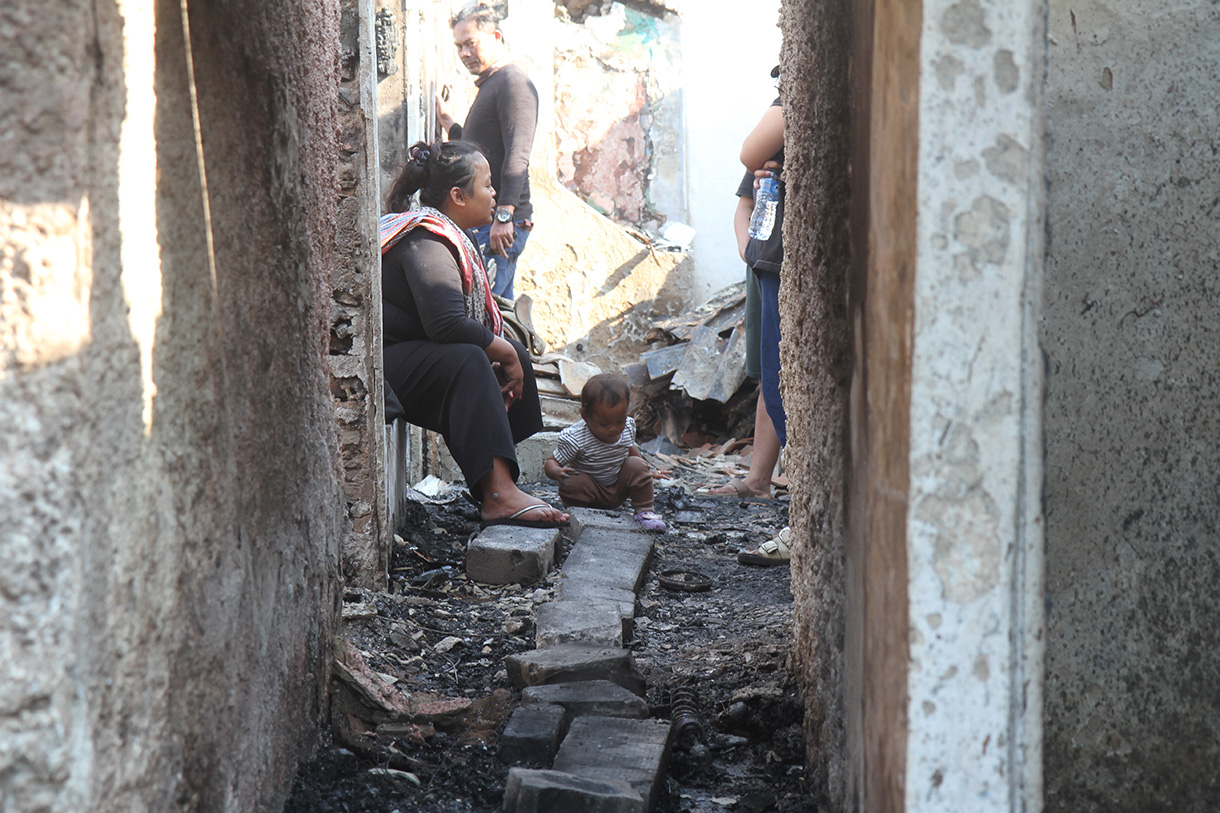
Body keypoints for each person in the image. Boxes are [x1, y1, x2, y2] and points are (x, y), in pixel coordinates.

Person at [381, 139, 567, 529]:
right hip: (384, 372)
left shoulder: (450, 237)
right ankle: (498, 495)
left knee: (503, 351)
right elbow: (445, 325)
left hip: (410, 359)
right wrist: (505, 354)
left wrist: (507, 353)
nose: (494, 193)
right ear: (457, 196)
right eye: (486, 185)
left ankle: (496, 480)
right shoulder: (426, 239)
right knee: (474, 357)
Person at [437, 2, 538, 301]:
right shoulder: (492, 85)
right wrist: (447, 121)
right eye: (459, 46)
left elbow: (518, 154)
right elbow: (478, 148)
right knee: (498, 317)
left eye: (471, 43)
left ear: (495, 37)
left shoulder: (513, 83)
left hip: (500, 225)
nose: (464, 53)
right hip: (491, 223)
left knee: (483, 315)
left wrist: (504, 215)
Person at [734, 82, 792, 566]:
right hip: (768, 262)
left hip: (782, 265)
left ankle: (808, 517)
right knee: (773, 383)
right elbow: (746, 199)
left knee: (782, 386)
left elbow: (747, 150)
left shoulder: (794, 99)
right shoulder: (768, 169)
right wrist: (750, 253)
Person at [544, 374, 668, 533]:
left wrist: (646, 471)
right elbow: (551, 462)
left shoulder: (628, 428)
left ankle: (644, 512)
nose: (613, 428)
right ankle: (580, 516)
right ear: (585, 417)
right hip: (589, 492)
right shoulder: (576, 438)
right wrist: (557, 472)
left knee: (637, 464)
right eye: (604, 424)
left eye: (620, 421)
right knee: (573, 480)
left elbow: (629, 450)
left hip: (618, 488)